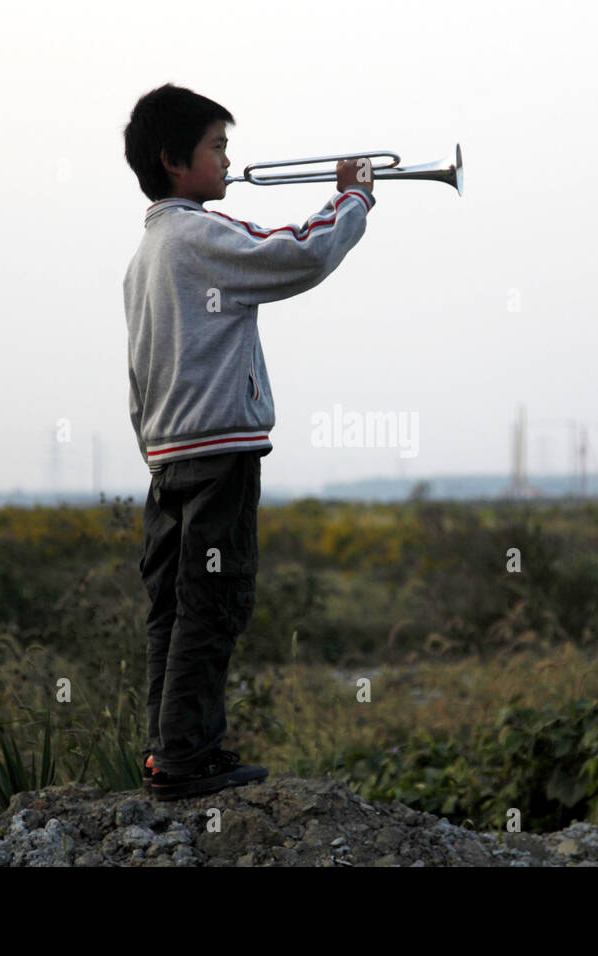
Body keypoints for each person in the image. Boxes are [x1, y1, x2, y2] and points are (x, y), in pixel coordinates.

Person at [122, 83, 376, 801]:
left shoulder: (143, 257)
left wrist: (153, 448)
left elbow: (137, 375)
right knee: (216, 599)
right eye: (217, 148)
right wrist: (351, 198)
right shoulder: (201, 237)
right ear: (176, 162)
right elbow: (298, 255)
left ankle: (166, 749)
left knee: (172, 608)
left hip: (167, 459)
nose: (229, 160)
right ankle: (187, 758)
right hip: (218, 455)